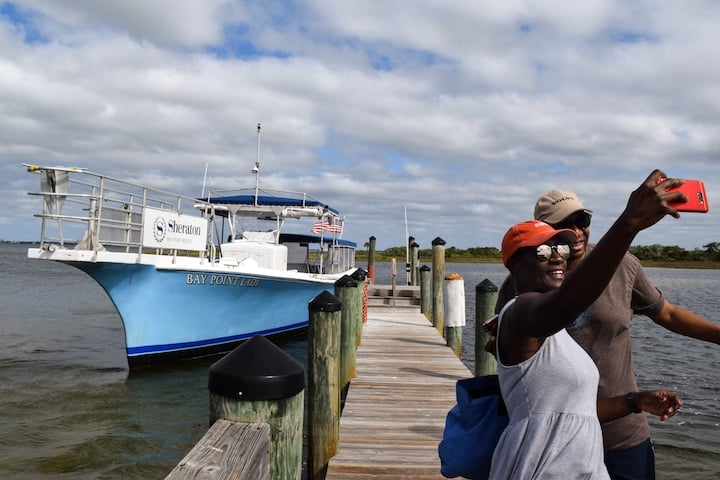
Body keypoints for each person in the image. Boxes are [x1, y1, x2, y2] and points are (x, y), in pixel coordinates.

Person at [495, 184, 720, 479]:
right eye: (547, 243)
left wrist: (634, 401)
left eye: (581, 222)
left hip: (620, 428)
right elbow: (564, 305)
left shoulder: (623, 265)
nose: (574, 234)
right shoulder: (521, 297)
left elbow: (667, 312)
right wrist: (630, 222)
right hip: (551, 442)